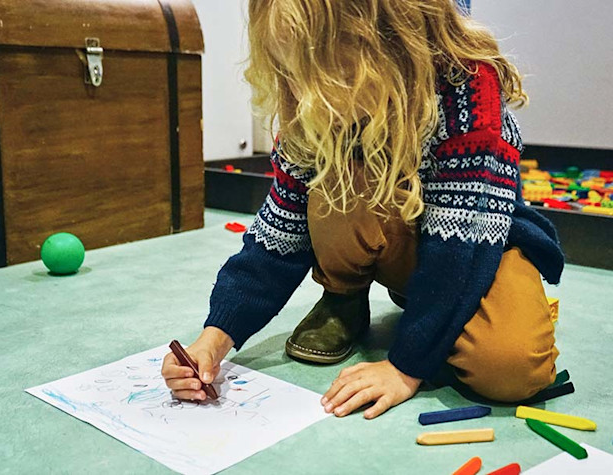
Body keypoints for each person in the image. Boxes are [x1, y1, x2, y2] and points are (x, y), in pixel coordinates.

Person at [162, 0, 564, 420]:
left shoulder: (466, 82)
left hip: (478, 246)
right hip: (392, 242)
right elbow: (278, 235)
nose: (305, 92)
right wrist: (215, 338)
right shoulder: (311, 100)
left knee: (512, 370)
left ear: (386, 41)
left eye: (322, 71)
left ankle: (429, 315)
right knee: (339, 174)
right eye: (294, 73)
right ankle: (344, 297)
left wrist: (406, 366)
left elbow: (459, 251)